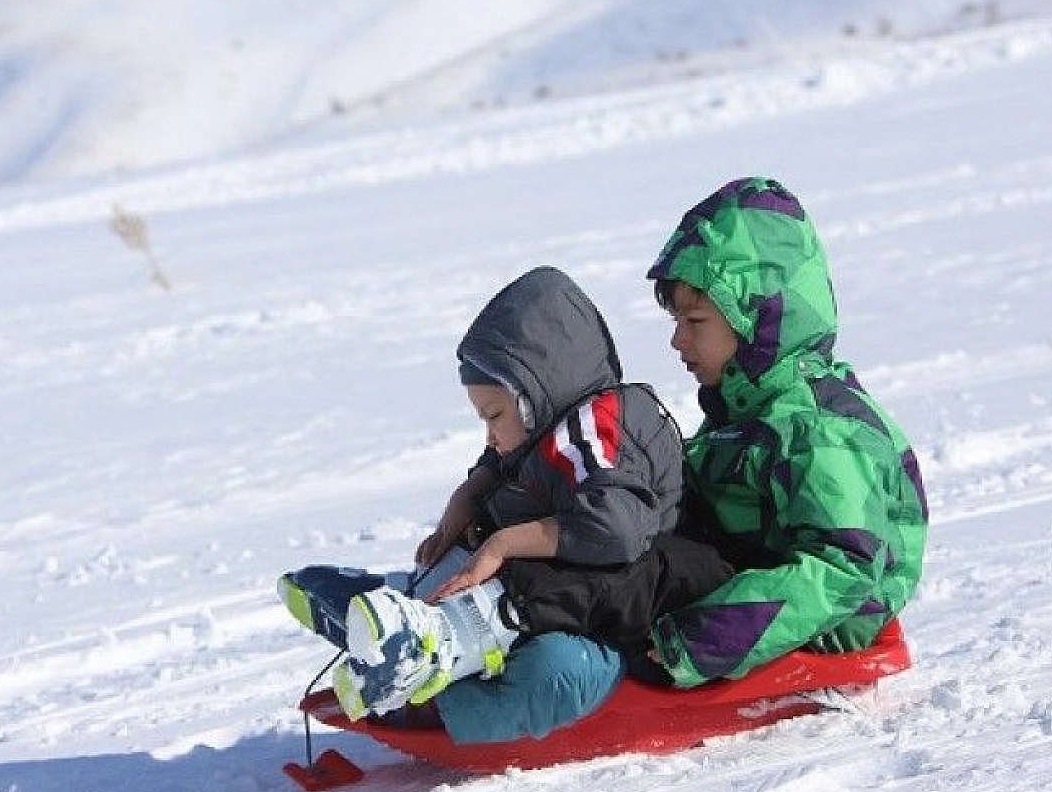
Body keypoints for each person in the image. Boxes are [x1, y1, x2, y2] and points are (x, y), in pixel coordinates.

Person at [279, 265, 730, 742]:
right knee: (480, 548)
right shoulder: (551, 430)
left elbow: (615, 530)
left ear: (538, 394)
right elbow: (513, 461)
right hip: (561, 608)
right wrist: (473, 493)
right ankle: (403, 607)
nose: (490, 435)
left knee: (551, 670)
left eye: (494, 415)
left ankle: (436, 664)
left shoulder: (598, 426)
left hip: (630, 624)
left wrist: (503, 543)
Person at [642, 176, 929, 685]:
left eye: (695, 321)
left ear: (757, 318)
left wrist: (701, 638)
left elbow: (844, 570)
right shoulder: (750, 403)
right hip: (740, 579)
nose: (677, 340)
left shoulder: (821, 433)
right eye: (676, 320)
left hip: (805, 621)